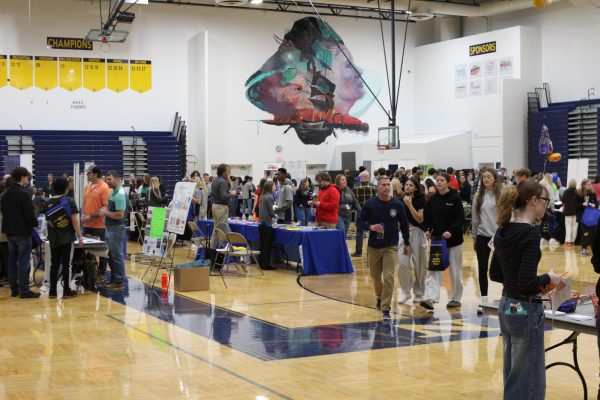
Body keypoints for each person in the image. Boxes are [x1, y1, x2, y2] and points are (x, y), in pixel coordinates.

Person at [490, 180, 565, 400]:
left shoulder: (502, 231)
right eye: (545, 201)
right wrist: (548, 278)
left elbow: (495, 274)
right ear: (533, 201)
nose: (547, 205)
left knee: (514, 372)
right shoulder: (530, 234)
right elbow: (525, 282)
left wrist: (531, 281)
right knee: (530, 377)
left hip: (507, 306)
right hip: (524, 309)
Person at [358, 175, 410, 320]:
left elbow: (404, 225)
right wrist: (370, 227)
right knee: (376, 278)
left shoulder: (398, 205)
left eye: (388, 184)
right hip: (374, 247)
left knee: (388, 277)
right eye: (383, 185)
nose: (387, 187)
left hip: (391, 246)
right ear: (378, 187)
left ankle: (386, 308)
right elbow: (360, 222)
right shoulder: (370, 204)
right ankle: (379, 297)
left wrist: (406, 243)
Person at [420, 172, 465, 311]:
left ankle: (456, 298)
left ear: (447, 182)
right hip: (437, 241)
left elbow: (460, 219)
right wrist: (427, 229)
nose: (438, 182)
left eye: (441, 180)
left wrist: (451, 231)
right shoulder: (433, 199)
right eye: (437, 180)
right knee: (434, 269)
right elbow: (427, 217)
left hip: (454, 240)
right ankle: (431, 298)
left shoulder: (455, 197)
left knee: (455, 271)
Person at [1, 166, 39, 298]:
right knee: (23, 261)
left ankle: (14, 289)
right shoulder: (24, 194)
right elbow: (29, 214)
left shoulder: (5, 194)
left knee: (12, 261)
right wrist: (36, 223)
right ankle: (24, 290)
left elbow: (4, 213)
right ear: (23, 177)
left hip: (9, 231)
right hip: (22, 231)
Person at [46, 178, 84, 299]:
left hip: (53, 238)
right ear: (66, 188)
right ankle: (66, 290)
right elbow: (75, 221)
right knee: (67, 264)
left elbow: (47, 221)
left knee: (54, 264)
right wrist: (80, 236)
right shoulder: (70, 201)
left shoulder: (47, 202)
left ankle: (52, 291)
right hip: (67, 238)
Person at [471, 167, 502, 313]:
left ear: (495, 178)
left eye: (489, 177)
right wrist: (474, 238)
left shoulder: (501, 195)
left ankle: (506, 299)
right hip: (483, 237)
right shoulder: (478, 197)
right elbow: (475, 220)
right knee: (482, 268)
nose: (486, 179)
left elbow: (508, 215)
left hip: (498, 237)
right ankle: (484, 300)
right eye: (484, 177)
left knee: (503, 269)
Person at [397, 176, 427, 304]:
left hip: (417, 232)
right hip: (403, 234)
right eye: (406, 185)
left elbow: (420, 219)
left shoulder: (421, 200)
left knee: (419, 264)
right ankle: (405, 291)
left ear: (415, 187)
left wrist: (409, 205)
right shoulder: (399, 200)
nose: (407, 187)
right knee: (402, 263)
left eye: (410, 185)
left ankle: (419, 292)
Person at [81, 165, 111, 281]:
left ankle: (101, 274)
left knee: (102, 251)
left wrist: (91, 217)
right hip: (87, 224)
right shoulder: (87, 186)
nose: (86, 175)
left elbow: (105, 207)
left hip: (99, 225)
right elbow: (85, 203)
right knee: (86, 250)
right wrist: (84, 216)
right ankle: (88, 273)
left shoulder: (104, 187)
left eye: (88, 173)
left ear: (95, 174)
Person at [99, 171, 128, 291]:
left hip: (116, 229)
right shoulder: (113, 193)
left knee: (116, 256)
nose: (107, 181)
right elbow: (112, 210)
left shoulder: (120, 194)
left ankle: (119, 281)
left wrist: (106, 212)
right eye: (106, 179)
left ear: (117, 179)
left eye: (109, 179)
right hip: (110, 228)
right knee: (111, 255)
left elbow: (120, 215)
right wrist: (105, 210)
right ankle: (114, 279)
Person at [352, 170, 377, 257]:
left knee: (359, 232)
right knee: (372, 231)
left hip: (360, 212)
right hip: (371, 212)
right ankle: (371, 251)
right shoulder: (373, 187)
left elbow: (353, 200)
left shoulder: (355, 187)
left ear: (360, 177)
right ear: (369, 177)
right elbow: (376, 200)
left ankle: (358, 252)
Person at [211, 164, 236, 238]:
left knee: (216, 229)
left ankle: (213, 247)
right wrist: (232, 194)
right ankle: (226, 246)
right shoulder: (222, 182)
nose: (229, 173)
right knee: (223, 229)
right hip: (221, 208)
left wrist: (229, 182)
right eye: (228, 171)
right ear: (224, 172)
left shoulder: (215, 180)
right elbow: (223, 197)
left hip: (215, 206)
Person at [258, 181, 277, 270]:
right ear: (270, 187)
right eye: (274, 187)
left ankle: (261, 263)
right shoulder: (269, 197)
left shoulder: (262, 196)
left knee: (262, 244)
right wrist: (275, 215)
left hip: (261, 223)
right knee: (267, 245)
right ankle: (266, 264)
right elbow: (271, 211)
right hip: (268, 224)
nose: (275, 188)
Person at [576, 178, 597, 256]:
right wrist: (582, 204)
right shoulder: (579, 193)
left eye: (590, 184)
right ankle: (583, 250)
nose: (590, 185)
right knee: (585, 232)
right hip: (582, 216)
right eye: (588, 184)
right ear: (583, 185)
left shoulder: (592, 193)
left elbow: (596, 203)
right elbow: (575, 206)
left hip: (590, 216)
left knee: (589, 233)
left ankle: (585, 249)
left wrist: (595, 205)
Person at [335, 174, 360, 239]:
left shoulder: (349, 190)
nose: (344, 181)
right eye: (342, 180)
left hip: (348, 215)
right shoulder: (335, 190)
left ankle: (342, 248)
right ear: (338, 181)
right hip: (338, 215)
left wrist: (360, 210)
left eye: (345, 179)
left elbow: (355, 201)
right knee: (341, 232)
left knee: (344, 234)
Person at [562, 179, 578, 247]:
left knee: (568, 227)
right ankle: (573, 241)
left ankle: (567, 241)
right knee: (575, 227)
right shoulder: (577, 192)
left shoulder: (566, 192)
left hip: (568, 212)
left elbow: (563, 201)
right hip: (576, 212)